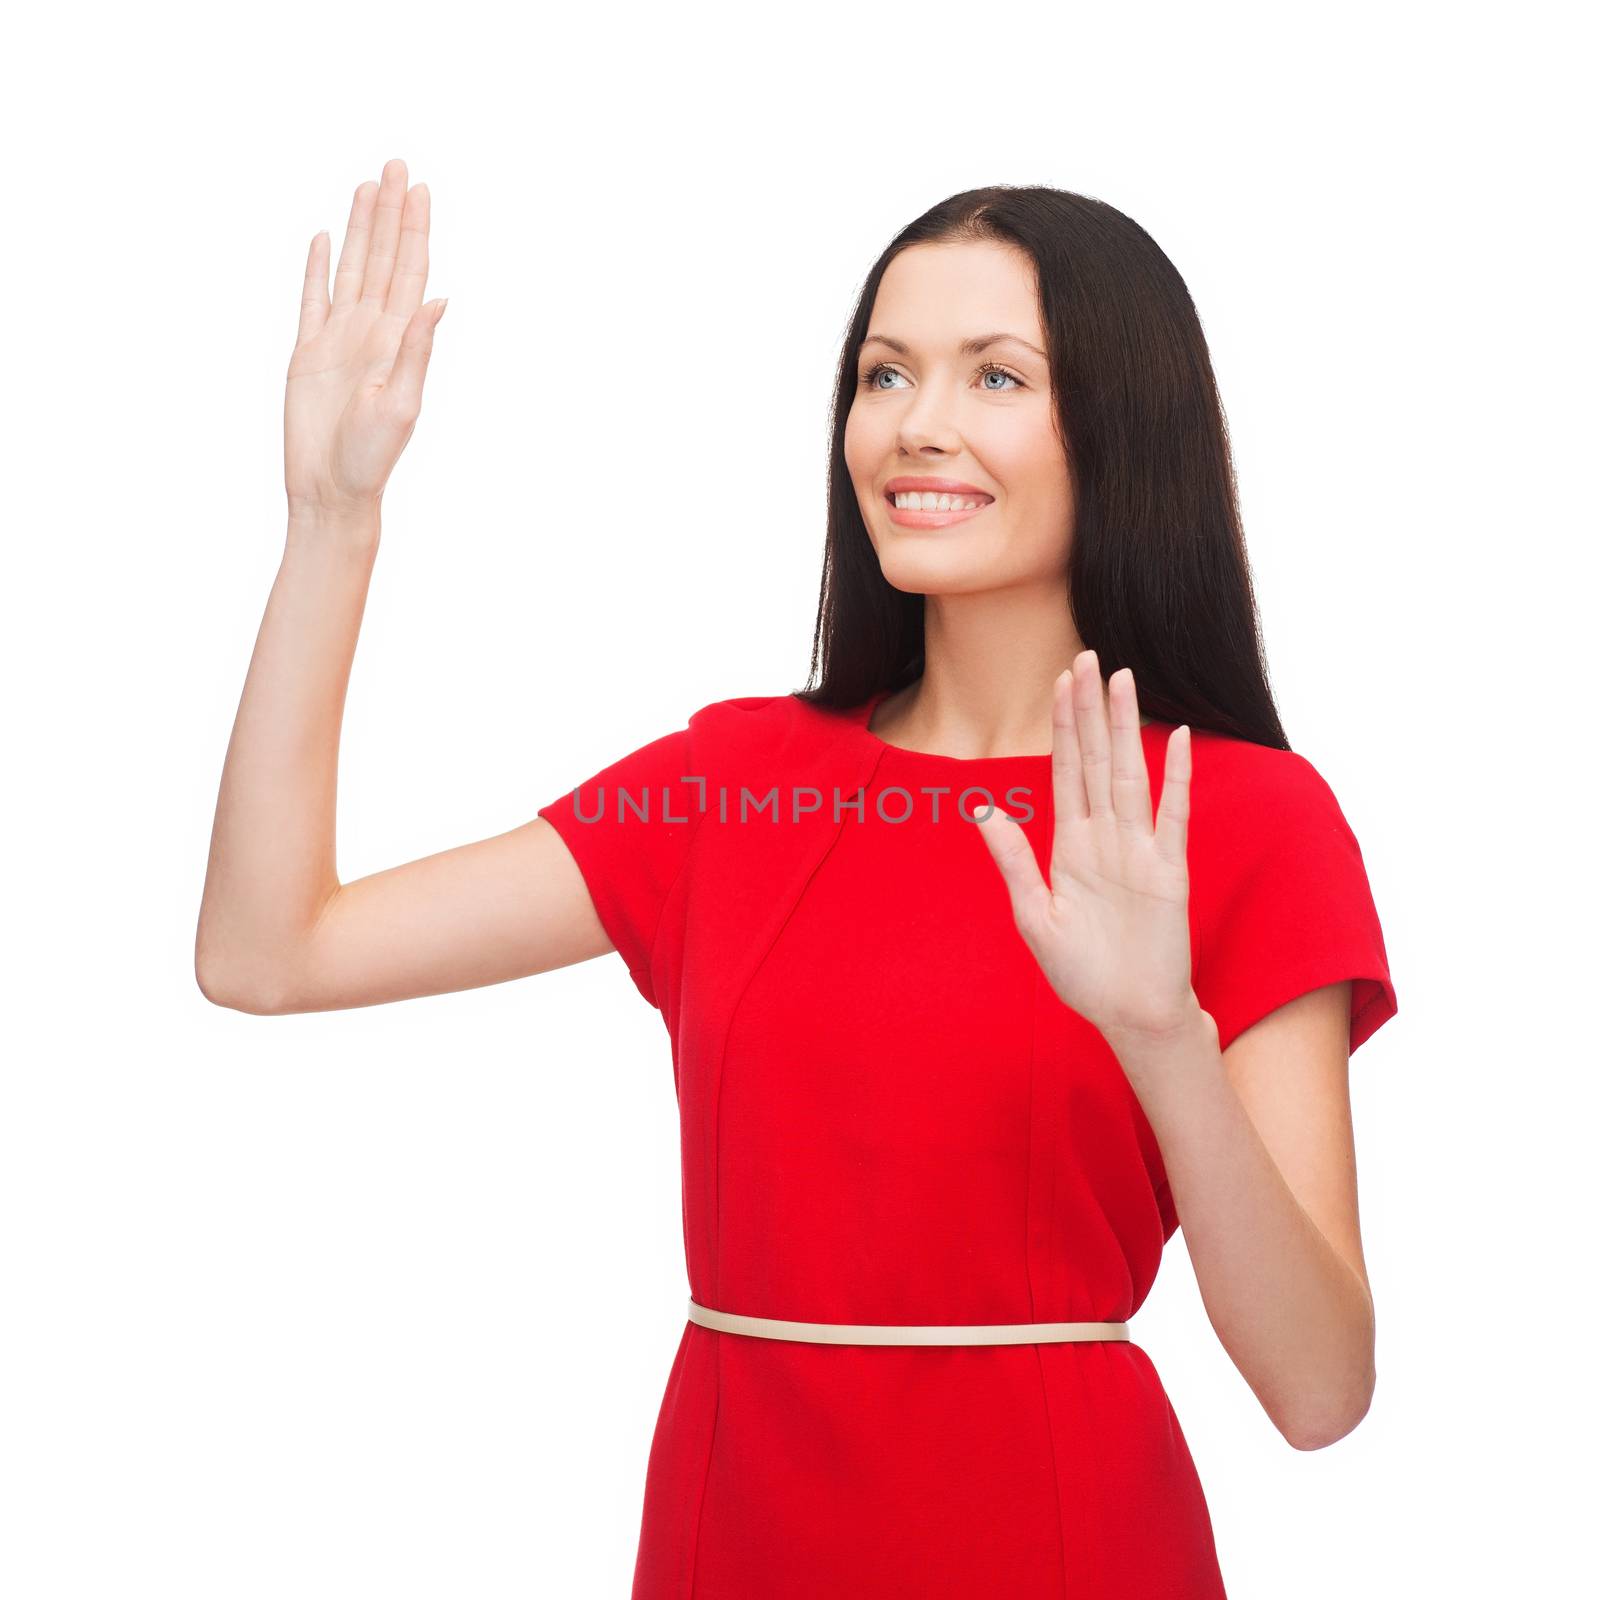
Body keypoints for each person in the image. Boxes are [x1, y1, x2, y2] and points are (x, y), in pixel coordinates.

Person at [196, 160, 1398, 1599]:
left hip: (1065, 1544)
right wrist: (333, 524)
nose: (918, 426)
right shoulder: (733, 784)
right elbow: (269, 954)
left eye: (996, 378)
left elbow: (1320, 1392)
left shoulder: (1243, 817)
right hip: (735, 1529)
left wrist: (1162, 1039)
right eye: (885, 373)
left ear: (1126, 434)